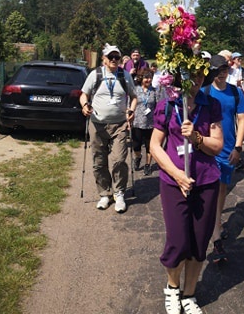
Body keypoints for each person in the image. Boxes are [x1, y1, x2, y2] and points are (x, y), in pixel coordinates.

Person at [150, 67, 223, 314]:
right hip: (174, 183)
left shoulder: (211, 104)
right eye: (192, 73)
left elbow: (217, 146)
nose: (198, 78)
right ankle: (172, 288)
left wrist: (198, 139)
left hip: (206, 182)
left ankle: (189, 294)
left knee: (199, 243)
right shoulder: (167, 105)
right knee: (178, 241)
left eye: (202, 74)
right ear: (181, 76)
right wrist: (177, 174)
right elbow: (155, 146)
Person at [80, 43, 137, 212]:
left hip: (120, 124)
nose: (114, 60)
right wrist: (84, 106)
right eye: (110, 57)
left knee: (119, 160)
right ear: (104, 59)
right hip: (97, 124)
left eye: (116, 57)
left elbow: (134, 97)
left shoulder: (125, 75)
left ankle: (119, 193)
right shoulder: (95, 74)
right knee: (99, 161)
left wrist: (132, 110)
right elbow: (84, 94)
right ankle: (104, 194)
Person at [202, 55, 244, 263]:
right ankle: (215, 237)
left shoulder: (235, 92)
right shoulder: (204, 91)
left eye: (224, 68)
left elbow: (241, 120)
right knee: (207, 191)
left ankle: (216, 224)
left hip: (228, 149)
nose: (221, 72)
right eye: (216, 69)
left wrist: (239, 147)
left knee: (221, 191)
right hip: (207, 149)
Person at [132, 68, 158, 176]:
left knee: (149, 146)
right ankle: (138, 157)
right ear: (141, 78)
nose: (148, 80)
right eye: (146, 77)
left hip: (150, 123)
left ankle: (147, 165)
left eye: (150, 78)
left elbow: (158, 106)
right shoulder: (135, 89)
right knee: (136, 145)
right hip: (137, 122)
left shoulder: (154, 91)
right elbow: (130, 104)